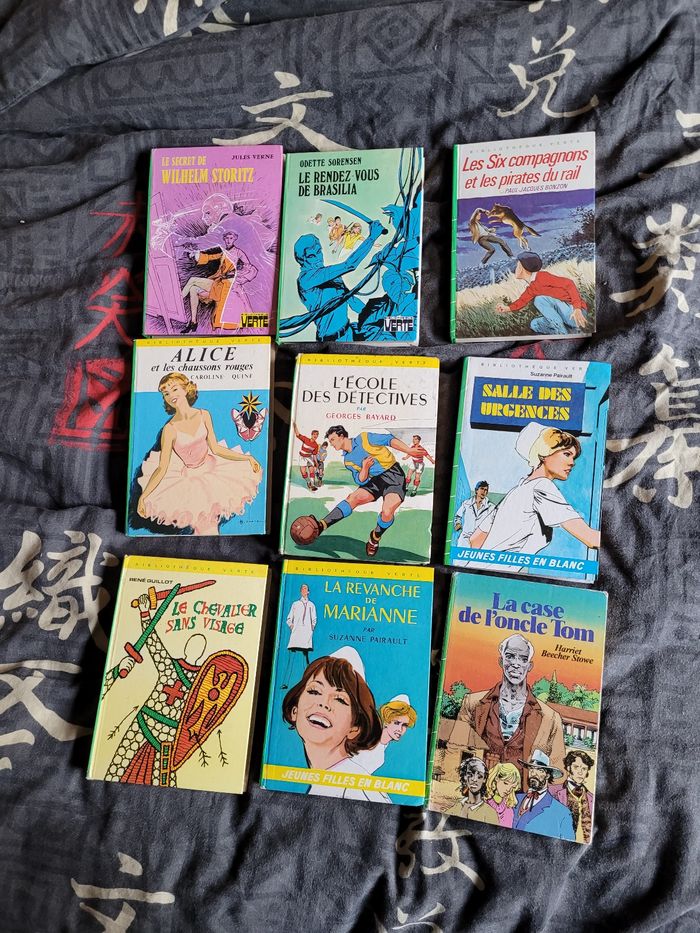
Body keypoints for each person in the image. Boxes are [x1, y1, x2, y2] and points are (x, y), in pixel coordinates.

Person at [136, 372, 261, 536]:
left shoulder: (203, 415)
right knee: (203, 527)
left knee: (211, 525)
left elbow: (216, 449)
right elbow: (162, 468)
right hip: (190, 482)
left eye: (174, 389)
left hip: (214, 472)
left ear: (186, 389)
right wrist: (143, 496)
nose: (171, 396)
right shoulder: (169, 429)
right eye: (166, 393)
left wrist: (247, 458)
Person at [469, 422, 600, 563]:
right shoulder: (541, 486)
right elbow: (591, 539)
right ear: (544, 453)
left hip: (477, 569)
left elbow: (475, 540)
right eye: (567, 454)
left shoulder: (517, 491)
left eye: (573, 457)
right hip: (496, 573)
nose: (572, 462)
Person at [444, 633, 566, 781]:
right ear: (501, 661)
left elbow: (558, 771)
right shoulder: (472, 703)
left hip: (523, 793)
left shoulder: (550, 718)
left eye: (523, 659)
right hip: (480, 789)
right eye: (510, 656)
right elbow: (454, 750)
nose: (516, 664)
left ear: (529, 666)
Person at [295, 425, 427, 557]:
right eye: (330, 441)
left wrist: (409, 450)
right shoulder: (348, 460)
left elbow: (388, 439)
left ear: (342, 436)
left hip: (393, 476)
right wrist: (365, 468)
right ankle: (322, 525)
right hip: (375, 480)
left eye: (333, 439)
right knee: (353, 498)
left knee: (387, 512)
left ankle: (375, 537)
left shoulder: (364, 438)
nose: (332, 443)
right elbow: (360, 480)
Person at [282, 648, 389, 802]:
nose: (323, 703)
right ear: (294, 710)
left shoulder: (359, 790)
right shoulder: (321, 782)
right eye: (314, 691)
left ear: (355, 728)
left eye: (340, 699)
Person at [279, 221, 384, 342]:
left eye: (318, 251)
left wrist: (376, 317)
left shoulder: (332, 275)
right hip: (332, 341)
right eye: (311, 256)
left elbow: (351, 300)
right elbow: (349, 265)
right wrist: (372, 238)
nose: (318, 258)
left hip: (349, 332)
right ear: (301, 260)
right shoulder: (305, 279)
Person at [180, 230, 258, 332]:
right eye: (227, 238)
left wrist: (237, 277)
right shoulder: (224, 252)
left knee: (193, 280)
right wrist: (195, 253)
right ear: (224, 239)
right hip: (218, 282)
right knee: (193, 289)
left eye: (231, 238)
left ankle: (178, 301)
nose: (229, 240)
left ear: (234, 239)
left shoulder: (239, 252)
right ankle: (193, 322)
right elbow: (211, 257)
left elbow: (251, 268)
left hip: (226, 285)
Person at [495, 250, 588, 335]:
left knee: (539, 300)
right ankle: (571, 331)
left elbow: (569, 283)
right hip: (565, 317)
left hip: (575, 313)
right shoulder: (532, 287)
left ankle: (562, 334)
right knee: (535, 324)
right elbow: (522, 301)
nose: (515, 268)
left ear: (523, 267)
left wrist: (577, 308)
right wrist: (507, 308)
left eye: (517, 265)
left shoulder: (542, 276)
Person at [512, 751, 575, 840]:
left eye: (540, 770)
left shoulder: (562, 813)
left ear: (547, 775)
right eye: (531, 769)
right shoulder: (514, 799)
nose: (534, 773)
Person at [353, 694, 417, 774]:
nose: (400, 729)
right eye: (396, 723)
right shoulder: (366, 739)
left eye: (404, 725)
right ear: (386, 721)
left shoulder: (381, 752)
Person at [549, 750, 595, 844]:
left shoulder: (591, 797)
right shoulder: (553, 791)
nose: (580, 772)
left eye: (584, 768)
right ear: (568, 767)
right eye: (576, 767)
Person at [281, 583, 317, 689]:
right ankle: (285, 682)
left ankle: (308, 682)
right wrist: (292, 626)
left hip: (306, 634)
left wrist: (311, 628)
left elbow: (314, 619)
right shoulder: (295, 604)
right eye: (302, 589)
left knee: (305, 658)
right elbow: (289, 618)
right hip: (296, 634)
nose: (303, 590)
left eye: (305, 588)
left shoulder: (311, 605)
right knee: (291, 657)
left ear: (308, 592)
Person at [449, 755, 499, 825]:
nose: (474, 779)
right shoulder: (456, 807)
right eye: (470, 775)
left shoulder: (490, 813)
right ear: (465, 776)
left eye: (479, 776)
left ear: (484, 779)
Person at [453, 480, 494, 546]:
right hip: (465, 538)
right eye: (482, 489)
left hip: (480, 540)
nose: (484, 492)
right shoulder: (466, 503)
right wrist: (458, 523)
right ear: (476, 490)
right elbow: (458, 516)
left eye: (486, 490)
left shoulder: (491, 507)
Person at [484, 761, 521, 828]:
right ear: (496, 778)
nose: (508, 790)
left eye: (512, 787)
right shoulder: (482, 801)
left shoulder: (509, 811)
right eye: (506, 783)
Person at [293, 422, 320, 491]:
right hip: (302, 458)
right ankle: (308, 482)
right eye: (314, 434)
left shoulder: (316, 445)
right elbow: (298, 434)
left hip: (309, 458)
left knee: (311, 471)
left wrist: (316, 463)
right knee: (303, 473)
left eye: (317, 435)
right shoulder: (305, 439)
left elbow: (314, 455)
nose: (315, 436)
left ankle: (313, 485)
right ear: (311, 435)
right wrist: (295, 426)